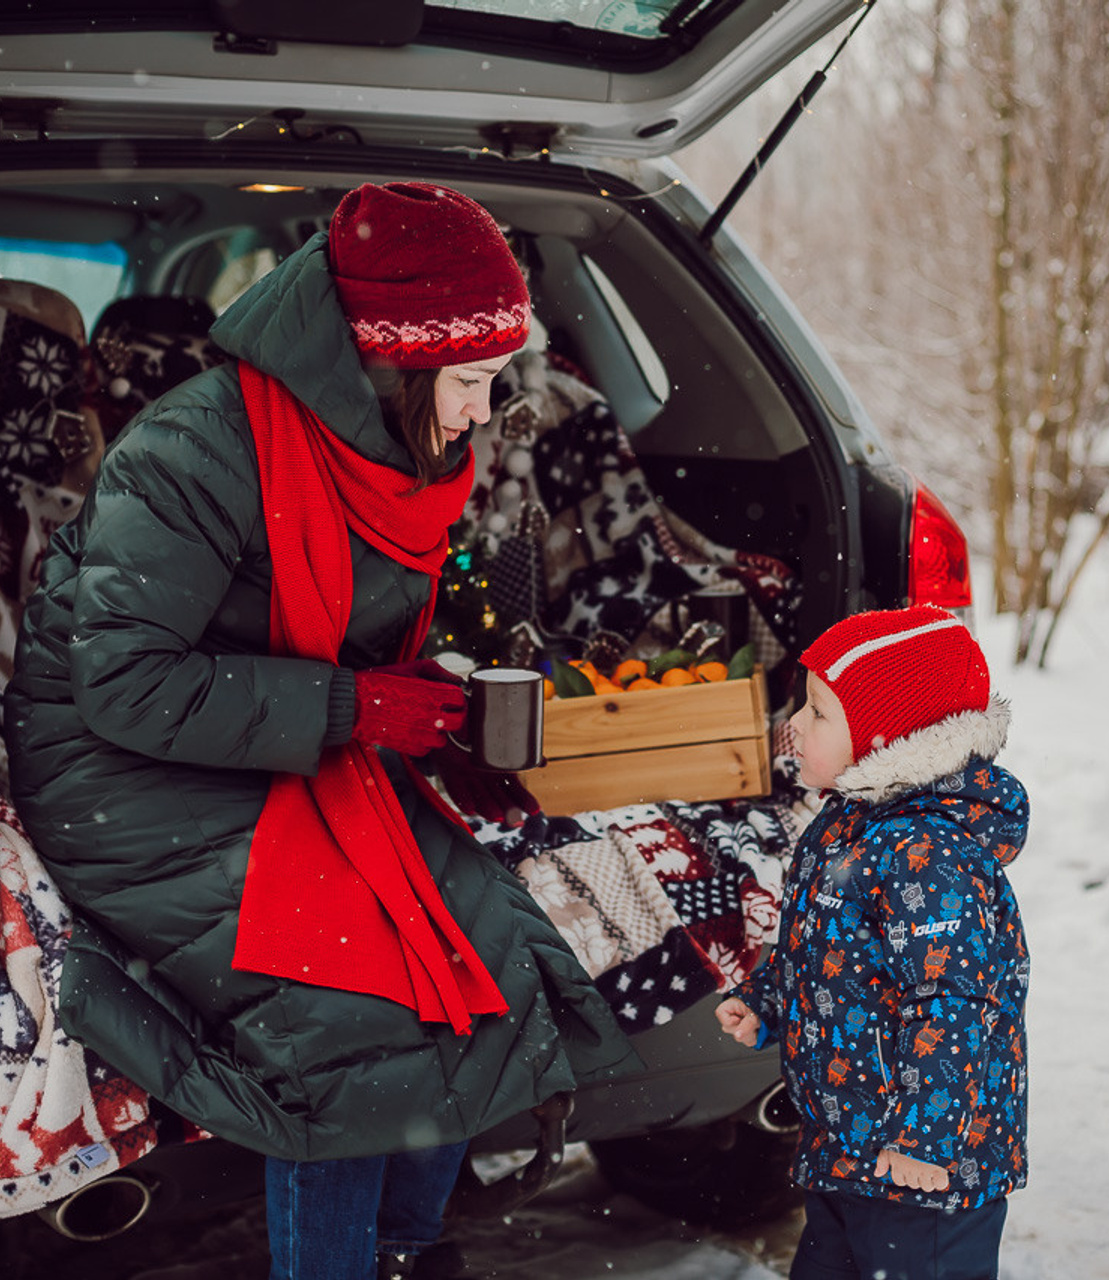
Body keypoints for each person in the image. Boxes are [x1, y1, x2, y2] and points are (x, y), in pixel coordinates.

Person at [4, 181, 638, 1280]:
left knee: (471, 954)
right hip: (120, 764)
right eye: (475, 382)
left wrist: (428, 702)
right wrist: (353, 708)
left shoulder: (402, 447)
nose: (486, 412)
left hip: (273, 737)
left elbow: (355, 633)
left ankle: (400, 1254)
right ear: (393, 363)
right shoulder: (191, 452)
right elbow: (123, 683)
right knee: (356, 998)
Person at [716, 605, 1030, 1280]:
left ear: (887, 739)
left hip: (924, 1169)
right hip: (849, 1146)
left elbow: (951, 1005)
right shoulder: (847, 827)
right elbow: (830, 954)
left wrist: (923, 1140)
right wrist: (767, 997)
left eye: (819, 712)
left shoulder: (929, 858)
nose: (794, 724)